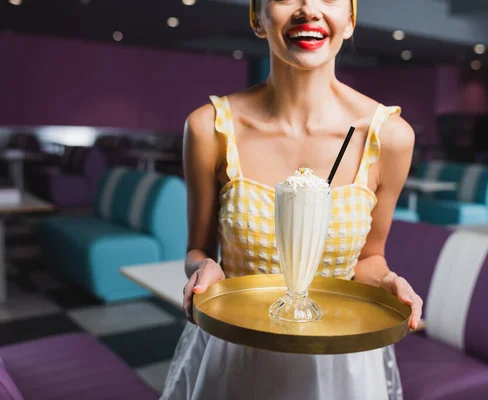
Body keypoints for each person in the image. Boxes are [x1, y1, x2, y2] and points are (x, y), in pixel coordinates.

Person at [161, 0, 422, 398]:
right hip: (240, 354)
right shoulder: (208, 128)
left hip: (341, 362)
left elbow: (370, 259)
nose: (309, 10)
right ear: (257, 19)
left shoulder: (390, 136)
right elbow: (196, 249)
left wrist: (385, 280)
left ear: (349, 20)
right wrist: (206, 270)